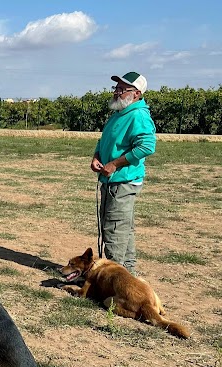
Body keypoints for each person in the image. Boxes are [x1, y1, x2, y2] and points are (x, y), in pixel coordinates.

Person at [92, 72, 156, 274]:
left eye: (122, 89)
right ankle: (128, 275)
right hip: (112, 181)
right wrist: (97, 156)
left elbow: (147, 146)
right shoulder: (119, 113)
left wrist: (114, 164)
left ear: (136, 93)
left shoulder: (138, 115)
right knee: (122, 230)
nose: (117, 92)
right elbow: (105, 140)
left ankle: (112, 279)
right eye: (116, 88)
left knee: (115, 231)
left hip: (123, 182)